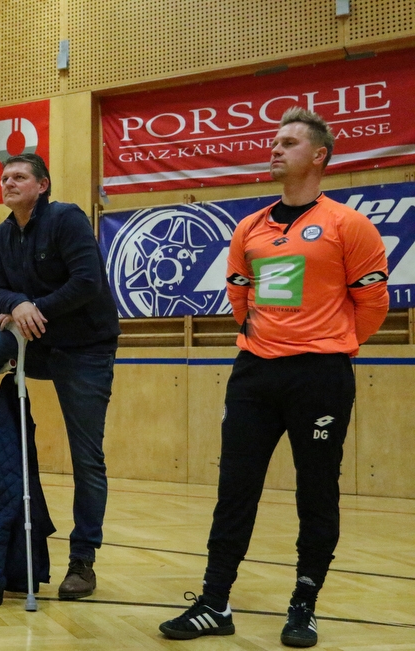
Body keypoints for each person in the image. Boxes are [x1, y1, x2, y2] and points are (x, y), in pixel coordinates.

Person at [159, 107, 389, 648]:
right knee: (234, 488)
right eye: (275, 141)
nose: (275, 148)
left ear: (318, 157)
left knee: (316, 491)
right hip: (254, 375)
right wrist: (264, 340)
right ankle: (215, 602)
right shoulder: (249, 227)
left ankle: (303, 606)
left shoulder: (347, 224)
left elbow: (372, 303)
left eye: (288, 142)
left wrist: (329, 344)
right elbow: (240, 296)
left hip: (320, 377)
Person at [0, 153, 120, 599]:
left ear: (42, 185)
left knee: (87, 459)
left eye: (19, 177)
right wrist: (16, 304)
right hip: (36, 340)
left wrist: (32, 308)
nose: (8, 183)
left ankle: (83, 560)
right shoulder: (3, 232)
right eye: (4, 178)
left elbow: (87, 282)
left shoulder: (66, 218)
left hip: (84, 349)